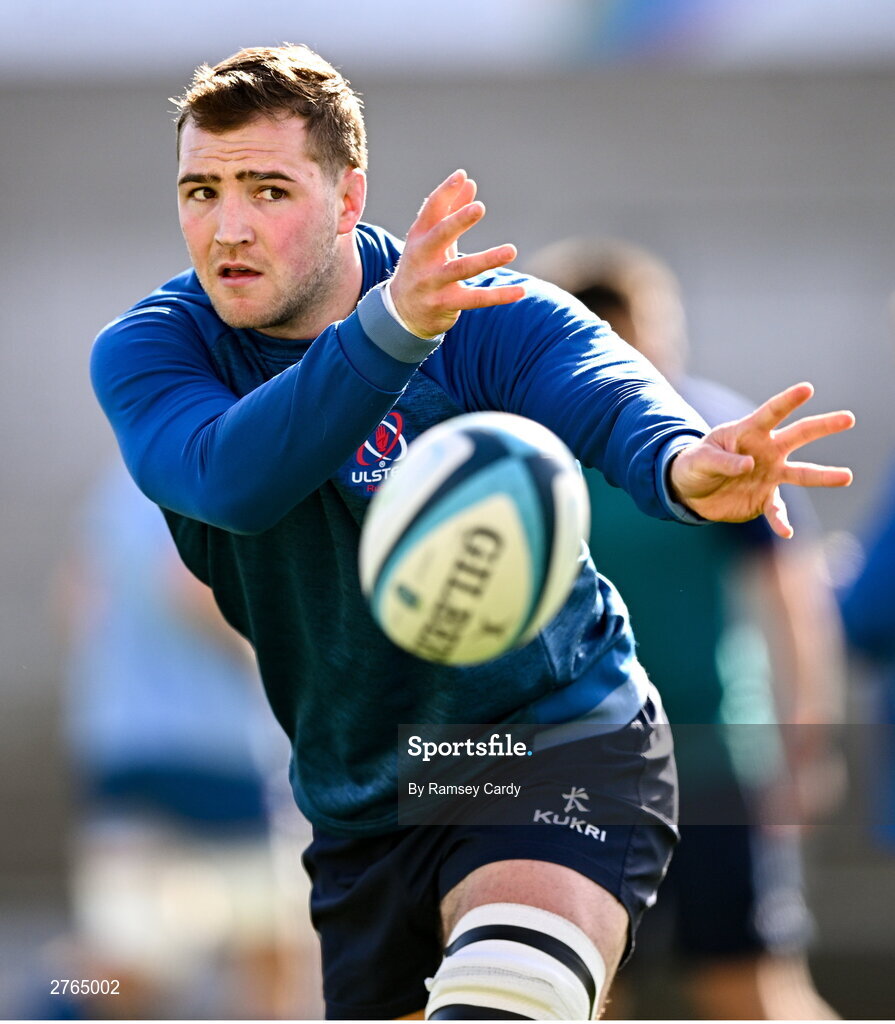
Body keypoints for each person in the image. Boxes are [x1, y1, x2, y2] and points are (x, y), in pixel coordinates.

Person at [90, 44, 854, 1020]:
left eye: (267, 189)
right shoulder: (152, 349)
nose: (228, 226)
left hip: (554, 743)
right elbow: (231, 479)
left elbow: (601, 384)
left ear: (346, 195)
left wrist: (679, 462)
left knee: (509, 1003)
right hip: (364, 790)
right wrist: (385, 333)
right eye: (201, 190)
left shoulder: (472, 312)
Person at [527, 237, 843, 1019]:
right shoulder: (528, 450)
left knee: (746, 988)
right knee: (585, 992)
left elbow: (793, 599)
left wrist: (804, 742)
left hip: (707, 760)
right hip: (576, 769)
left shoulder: (717, 437)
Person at [54, 462, 322, 1019]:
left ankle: (48, 1005)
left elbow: (74, 600)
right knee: (271, 945)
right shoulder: (214, 469)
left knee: (129, 954)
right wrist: (292, 654)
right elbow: (190, 589)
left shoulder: (117, 484)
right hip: (211, 753)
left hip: (119, 747)